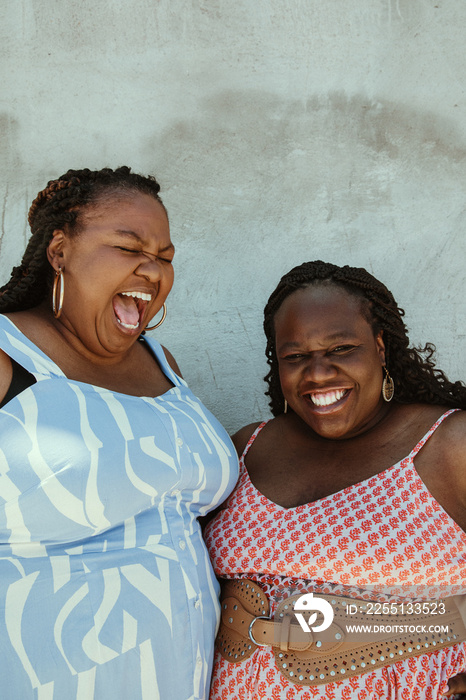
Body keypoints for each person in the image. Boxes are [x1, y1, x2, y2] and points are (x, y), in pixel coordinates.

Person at [0, 167, 239, 700]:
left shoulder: (162, 362)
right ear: (59, 250)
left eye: (165, 257)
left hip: (179, 678)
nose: (152, 270)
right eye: (129, 247)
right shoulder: (7, 355)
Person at [205, 260, 466, 699]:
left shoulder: (449, 443)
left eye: (341, 349)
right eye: (296, 356)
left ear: (380, 348)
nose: (318, 373)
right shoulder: (247, 447)